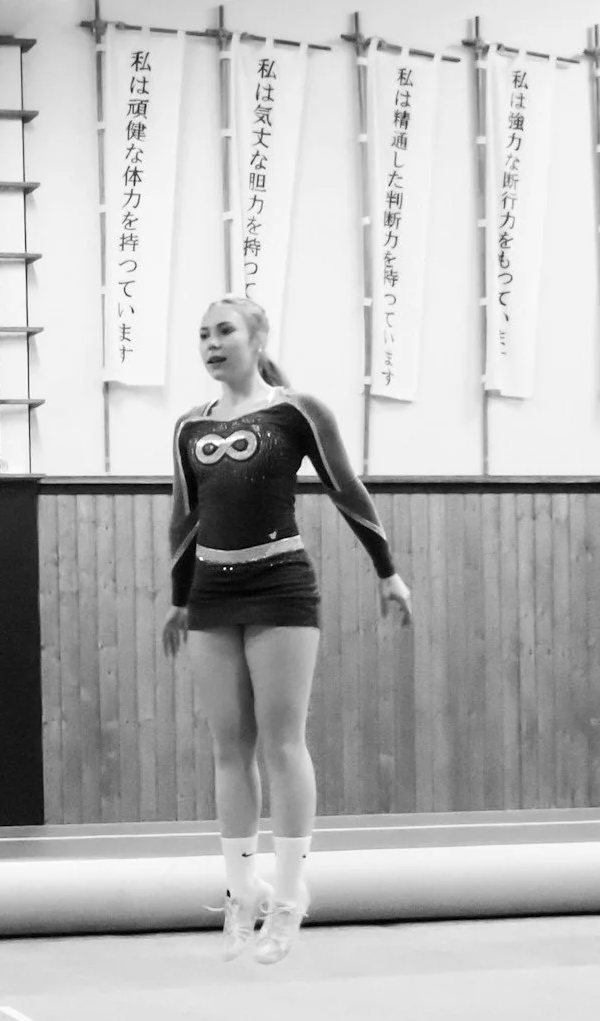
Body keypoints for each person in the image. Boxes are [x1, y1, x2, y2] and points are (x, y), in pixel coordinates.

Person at [162, 295, 413, 965]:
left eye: (224, 331)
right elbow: (185, 519)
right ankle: (243, 890)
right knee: (228, 747)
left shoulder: (296, 411)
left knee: (281, 743)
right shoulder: (190, 426)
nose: (212, 344)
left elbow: (345, 488)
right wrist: (179, 598)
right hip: (213, 591)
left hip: (279, 586)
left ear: (256, 336)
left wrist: (388, 571)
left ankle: (291, 893)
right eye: (203, 334)